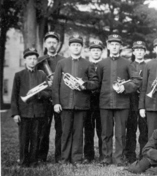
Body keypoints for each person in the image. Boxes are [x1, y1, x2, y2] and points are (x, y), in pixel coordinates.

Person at [52, 34, 99, 165]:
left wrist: (83, 83)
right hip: (65, 104)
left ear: (82, 48)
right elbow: (55, 85)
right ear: (70, 47)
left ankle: (77, 158)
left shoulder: (88, 64)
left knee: (78, 133)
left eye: (78, 45)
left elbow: (95, 83)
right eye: (73, 45)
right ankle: (64, 158)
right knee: (65, 132)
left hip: (81, 104)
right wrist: (56, 103)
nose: (76, 47)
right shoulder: (61, 63)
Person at [95, 34, 141, 166]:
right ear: (108, 46)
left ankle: (119, 159)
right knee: (105, 133)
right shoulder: (102, 63)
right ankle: (106, 158)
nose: (114, 47)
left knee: (120, 133)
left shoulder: (128, 63)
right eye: (112, 44)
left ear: (120, 47)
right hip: (105, 103)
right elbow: (97, 83)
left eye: (117, 44)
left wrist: (125, 87)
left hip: (122, 103)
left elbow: (136, 81)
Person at [11, 47, 51, 167]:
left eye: (34, 59)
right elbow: (14, 95)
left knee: (36, 138)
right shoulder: (19, 75)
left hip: (38, 112)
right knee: (24, 139)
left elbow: (48, 93)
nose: (32, 61)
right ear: (25, 61)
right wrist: (15, 113)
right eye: (30, 59)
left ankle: (33, 161)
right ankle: (23, 161)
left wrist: (39, 93)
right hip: (24, 112)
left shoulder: (42, 74)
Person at [37, 31, 65, 163]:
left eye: (54, 42)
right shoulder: (39, 61)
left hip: (60, 99)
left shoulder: (64, 60)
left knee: (60, 129)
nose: (52, 45)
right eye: (49, 42)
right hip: (45, 99)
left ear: (58, 44)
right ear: (45, 44)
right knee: (43, 129)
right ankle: (41, 157)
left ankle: (59, 157)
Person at [124, 41, 149, 163]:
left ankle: (143, 155)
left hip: (144, 102)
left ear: (145, 52)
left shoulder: (149, 66)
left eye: (141, 50)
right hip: (131, 101)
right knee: (131, 129)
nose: (139, 52)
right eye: (136, 50)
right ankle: (130, 155)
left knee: (144, 130)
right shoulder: (128, 65)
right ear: (133, 52)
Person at [84, 40, 104, 163]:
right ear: (90, 52)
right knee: (88, 129)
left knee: (102, 130)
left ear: (101, 52)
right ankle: (88, 155)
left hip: (102, 101)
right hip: (89, 101)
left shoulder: (104, 65)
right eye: (93, 50)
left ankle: (103, 155)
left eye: (98, 50)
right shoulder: (86, 65)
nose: (96, 52)